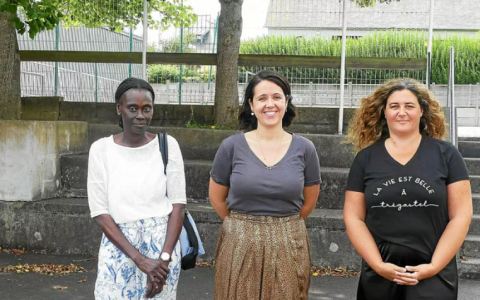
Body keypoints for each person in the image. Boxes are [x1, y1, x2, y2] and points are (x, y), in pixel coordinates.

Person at [344, 78, 473, 300]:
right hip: (381, 273)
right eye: (394, 106)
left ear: (422, 111)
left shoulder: (447, 155)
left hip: (434, 272)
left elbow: (461, 215)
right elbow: (353, 217)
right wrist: (378, 265)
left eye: (409, 106)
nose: (401, 112)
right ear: (384, 112)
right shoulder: (365, 159)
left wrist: (434, 266)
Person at [209, 70, 321, 300]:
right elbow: (217, 199)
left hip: (288, 239)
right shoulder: (230, 147)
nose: (270, 104)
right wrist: (244, 226)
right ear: (251, 104)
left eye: (277, 97)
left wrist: (280, 227)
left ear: (286, 102)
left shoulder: (305, 148)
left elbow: (309, 203)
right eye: (262, 98)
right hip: (239, 239)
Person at [88, 77, 186, 299]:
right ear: (119, 108)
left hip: (162, 249)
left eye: (146, 108)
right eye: (133, 108)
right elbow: (100, 212)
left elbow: (178, 206)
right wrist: (139, 259)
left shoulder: (167, 145)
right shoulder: (101, 150)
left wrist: (164, 259)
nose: (140, 115)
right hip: (119, 249)